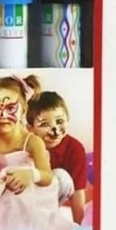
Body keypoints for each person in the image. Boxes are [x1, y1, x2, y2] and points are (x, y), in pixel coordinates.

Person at [0, 75, 74, 230]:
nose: (2, 115)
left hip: (28, 198)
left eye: (11, 108)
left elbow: (47, 176)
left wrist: (30, 175)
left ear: (24, 108)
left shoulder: (32, 142)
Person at [27, 91, 87, 223]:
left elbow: (78, 191)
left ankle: (47, 218)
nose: (55, 129)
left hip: (51, 201)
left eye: (60, 121)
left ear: (68, 120)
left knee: (61, 177)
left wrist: (79, 227)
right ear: (30, 128)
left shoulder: (75, 148)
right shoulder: (27, 145)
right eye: (44, 124)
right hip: (27, 200)